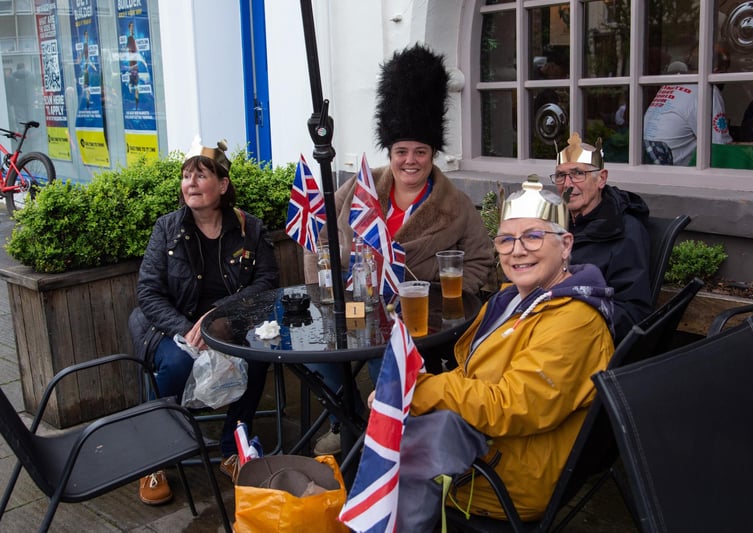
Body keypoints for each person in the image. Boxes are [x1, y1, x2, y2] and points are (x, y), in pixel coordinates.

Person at [385, 179, 615, 529]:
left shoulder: (574, 321)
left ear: (566, 244)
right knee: (382, 442)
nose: (517, 250)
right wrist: (413, 389)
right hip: (495, 447)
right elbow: (473, 373)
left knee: (380, 470)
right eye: (506, 239)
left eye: (533, 237)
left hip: (506, 476)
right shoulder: (513, 298)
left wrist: (418, 390)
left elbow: (512, 404)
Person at [303, 43, 494, 456]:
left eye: (420, 152)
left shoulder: (455, 204)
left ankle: (384, 439)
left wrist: (444, 300)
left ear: (432, 155)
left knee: (385, 357)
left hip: (416, 324)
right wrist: (326, 286)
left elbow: (480, 259)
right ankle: (350, 420)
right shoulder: (360, 187)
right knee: (316, 354)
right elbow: (319, 234)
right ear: (389, 153)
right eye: (401, 151)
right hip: (355, 308)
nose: (411, 161)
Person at [129, 139, 279, 505]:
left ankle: (233, 448)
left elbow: (267, 283)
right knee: (177, 363)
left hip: (228, 322)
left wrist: (219, 314)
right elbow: (147, 292)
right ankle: (157, 456)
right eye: (185, 176)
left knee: (258, 356)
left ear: (223, 184)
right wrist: (184, 328)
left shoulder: (250, 229)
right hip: (167, 325)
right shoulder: (167, 228)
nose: (191, 183)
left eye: (201, 174)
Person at [553, 132, 651, 342]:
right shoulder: (552, 225)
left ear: (601, 179)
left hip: (584, 342)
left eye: (578, 173)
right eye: (561, 175)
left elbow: (633, 313)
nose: (568, 184)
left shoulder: (625, 232)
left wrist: (570, 322)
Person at [642, 53, 733, 165]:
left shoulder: (669, 85)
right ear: (717, 70)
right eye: (726, 69)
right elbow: (719, 146)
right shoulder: (707, 89)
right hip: (673, 173)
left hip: (646, 163)